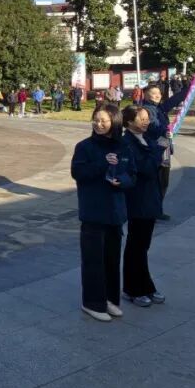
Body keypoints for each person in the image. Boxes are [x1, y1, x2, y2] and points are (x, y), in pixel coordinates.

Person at [70, 104, 135, 322]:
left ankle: (109, 299)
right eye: (96, 120)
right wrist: (101, 164)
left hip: (115, 212)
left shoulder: (124, 146)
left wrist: (121, 181)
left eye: (104, 121)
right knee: (93, 260)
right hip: (93, 211)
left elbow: (132, 175)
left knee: (112, 260)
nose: (99, 124)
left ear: (114, 122)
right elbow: (78, 173)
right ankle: (92, 303)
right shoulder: (84, 147)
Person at [121, 105, 165, 307]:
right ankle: (132, 289)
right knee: (136, 246)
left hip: (150, 198)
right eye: (142, 119)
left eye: (147, 118)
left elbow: (160, 129)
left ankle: (146, 285)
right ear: (129, 122)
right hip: (137, 200)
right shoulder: (127, 143)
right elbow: (146, 168)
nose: (146, 122)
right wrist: (159, 150)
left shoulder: (146, 138)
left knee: (142, 246)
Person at [141, 82, 188, 218]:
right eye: (153, 93)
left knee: (163, 181)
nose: (157, 96)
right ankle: (151, 210)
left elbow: (173, 101)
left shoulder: (159, 108)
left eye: (159, 93)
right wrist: (165, 130)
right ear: (146, 95)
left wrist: (189, 89)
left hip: (164, 149)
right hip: (154, 150)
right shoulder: (147, 110)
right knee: (155, 182)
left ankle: (157, 209)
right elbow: (153, 126)